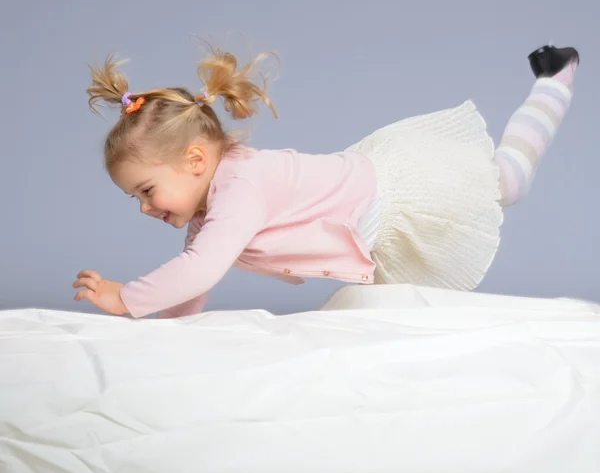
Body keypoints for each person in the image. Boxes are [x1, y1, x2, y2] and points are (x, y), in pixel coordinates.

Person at [73, 42, 579, 318]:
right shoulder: (212, 207)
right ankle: (551, 83)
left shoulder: (240, 187)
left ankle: (554, 82)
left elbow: (201, 269)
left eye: (146, 191)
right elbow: (193, 283)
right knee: (388, 317)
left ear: (196, 161)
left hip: (402, 192)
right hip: (370, 221)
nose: (145, 208)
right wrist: (165, 329)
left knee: (508, 181)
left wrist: (127, 298)